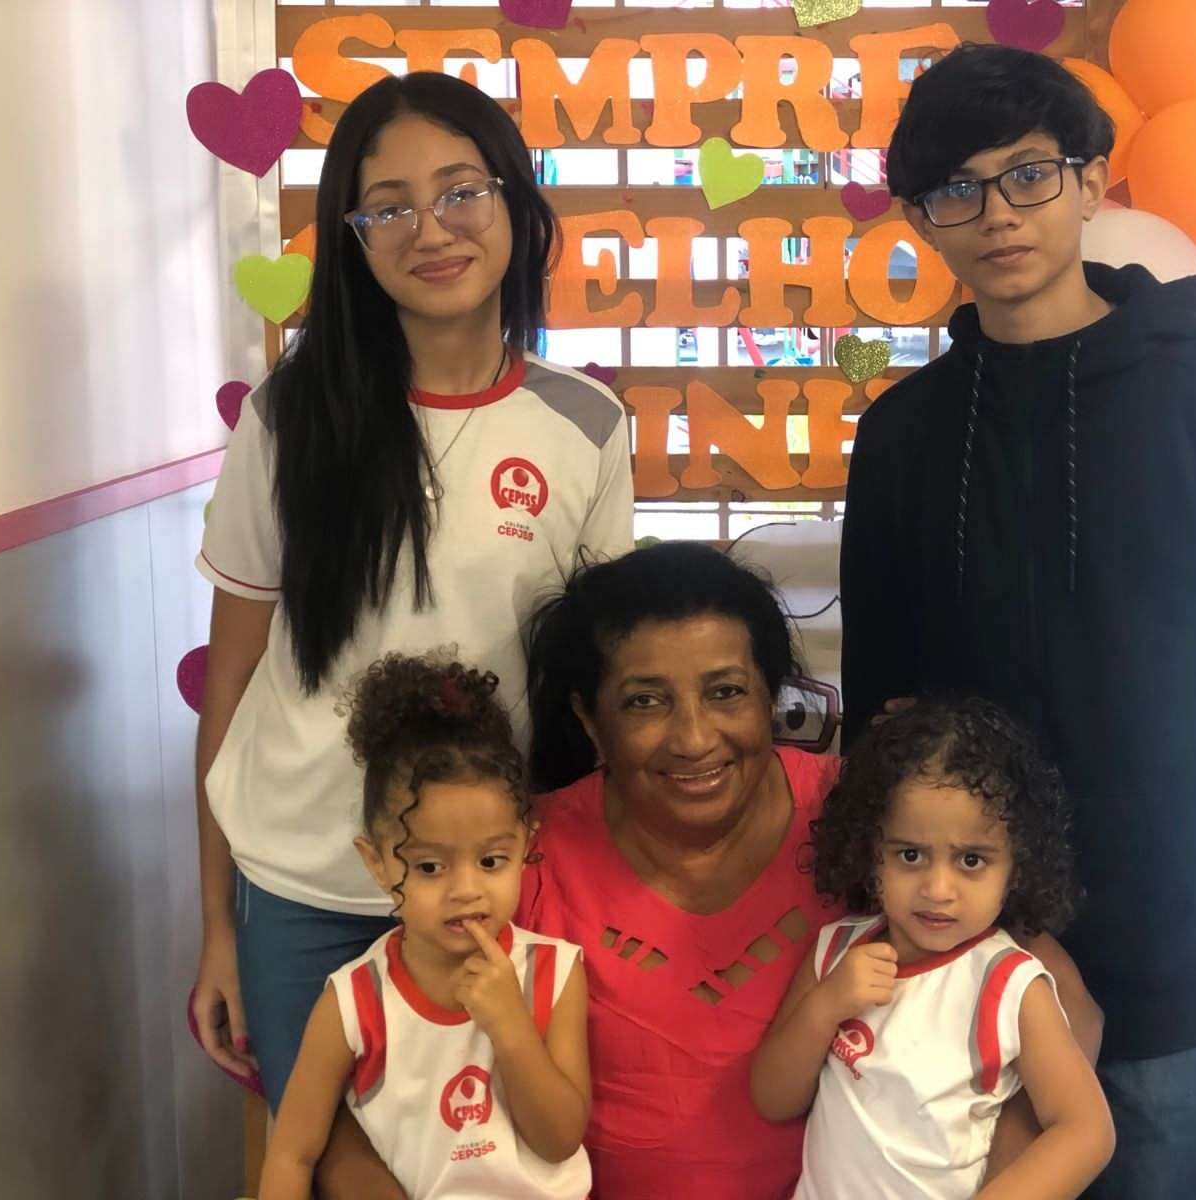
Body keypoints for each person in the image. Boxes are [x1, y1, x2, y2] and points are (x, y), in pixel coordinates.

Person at [841, 44, 1196, 1199]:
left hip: (1158, 927)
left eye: (1028, 174)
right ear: (922, 219)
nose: (997, 214)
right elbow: (883, 697)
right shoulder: (904, 434)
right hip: (963, 945)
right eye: (957, 190)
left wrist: (1139, 737)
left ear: (1091, 181)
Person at [311, 542, 1103, 1198]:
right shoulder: (514, 857)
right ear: (590, 720)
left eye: (726, 692)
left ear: (771, 698)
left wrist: (999, 1169)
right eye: (646, 702)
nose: (694, 738)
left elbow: (1059, 1003)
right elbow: (368, 1092)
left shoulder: (877, 819)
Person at [190, 70, 633, 1112]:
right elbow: (233, 683)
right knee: (322, 1161)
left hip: (489, 885)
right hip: (301, 883)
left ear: (515, 203)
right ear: (353, 239)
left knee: (486, 1163)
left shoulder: (586, 425)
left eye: (461, 191)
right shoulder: (288, 420)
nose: (431, 230)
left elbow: (596, 691)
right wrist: (216, 927)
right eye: (388, 207)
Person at [751, 699, 1115, 1199]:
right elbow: (773, 1099)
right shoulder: (836, 950)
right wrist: (825, 1006)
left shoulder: (1010, 984)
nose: (938, 889)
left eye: (971, 860)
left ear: (1017, 866)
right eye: (910, 854)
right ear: (869, 850)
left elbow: (1087, 1131)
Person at [259, 655, 591, 1198]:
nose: (465, 889)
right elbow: (293, 1153)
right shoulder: (355, 1001)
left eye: (491, 861)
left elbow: (559, 1141)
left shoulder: (553, 972)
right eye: (431, 867)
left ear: (526, 846)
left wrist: (511, 1026)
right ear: (376, 863)